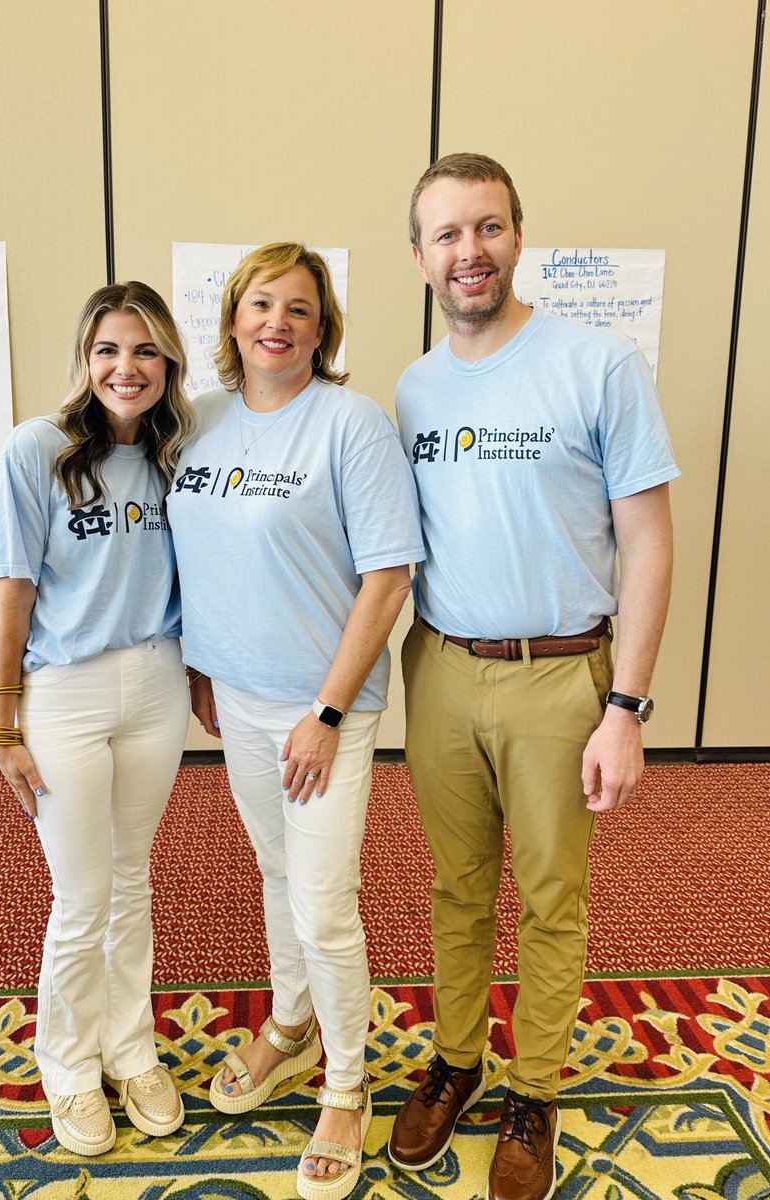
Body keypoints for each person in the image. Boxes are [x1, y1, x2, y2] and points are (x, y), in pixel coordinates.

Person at [387, 154, 678, 1200]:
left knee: (553, 897)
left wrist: (626, 708)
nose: (470, 251)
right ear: (417, 255)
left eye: (489, 227)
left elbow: (648, 544)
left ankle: (534, 1088)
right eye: (447, 234)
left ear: (518, 237)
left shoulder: (598, 364)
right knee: (456, 888)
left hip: (562, 678)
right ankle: (457, 1062)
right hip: (442, 670)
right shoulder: (414, 388)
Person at [167, 243, 423, 1200]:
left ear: (324, 329)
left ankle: (348, 1086)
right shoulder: (198, 422)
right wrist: (198, 660)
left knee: (323, 901)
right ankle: (288, 1018)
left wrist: (323, 710)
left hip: (324, 711)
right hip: (234, 696)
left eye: (301, 310)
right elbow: (190, 554)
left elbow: (387, 575)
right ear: (232, 319)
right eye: (261, 303)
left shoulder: (351, 425)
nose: (278, 321)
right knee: (274, 872)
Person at [0, 281, 196, 1156]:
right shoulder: (36, 450)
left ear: (168, 363)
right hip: (64, 692)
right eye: (108, 349)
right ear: (85, 357)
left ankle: (130, 1048)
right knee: (82, 896)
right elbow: (13, 591)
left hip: (156, 683)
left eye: (145, 351)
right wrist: (1, 722)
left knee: (132, 878)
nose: (126, 367)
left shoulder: (177, 455)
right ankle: (68, 1066)